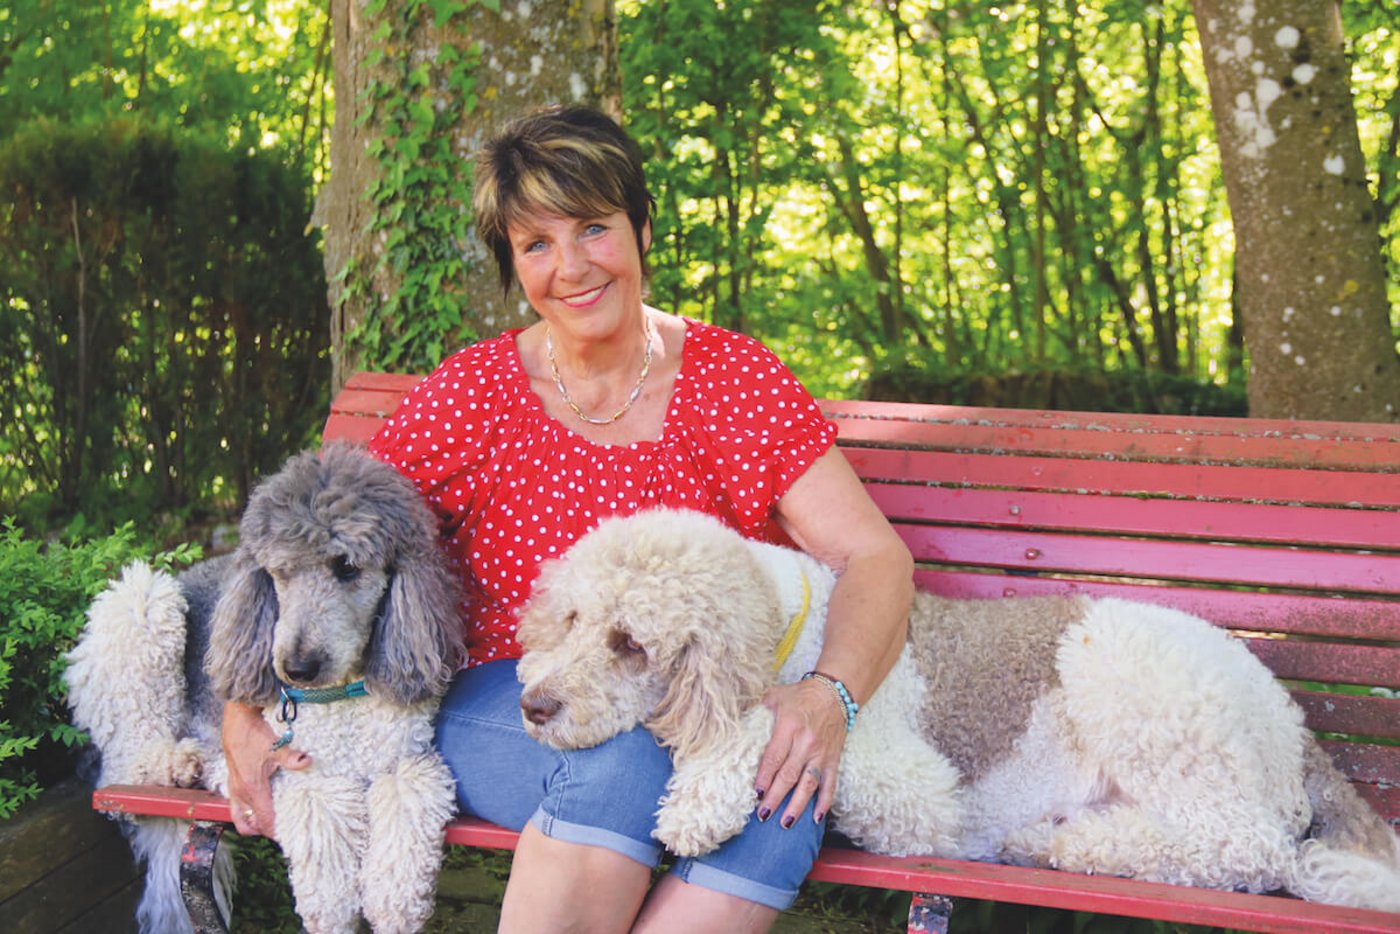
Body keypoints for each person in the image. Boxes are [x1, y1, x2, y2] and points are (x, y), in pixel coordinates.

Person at [222, 104, 914, 933]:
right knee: (623, 755)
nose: (573, 266)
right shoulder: (474, 395)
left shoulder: (734, 380)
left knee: (780, 782)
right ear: (513, 266)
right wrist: (240, 707)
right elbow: (311, 538)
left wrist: (827, 697)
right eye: (537, 244)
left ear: (643, 228)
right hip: (511, 700)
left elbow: (873, 556)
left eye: (593, 228)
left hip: (698, 697)